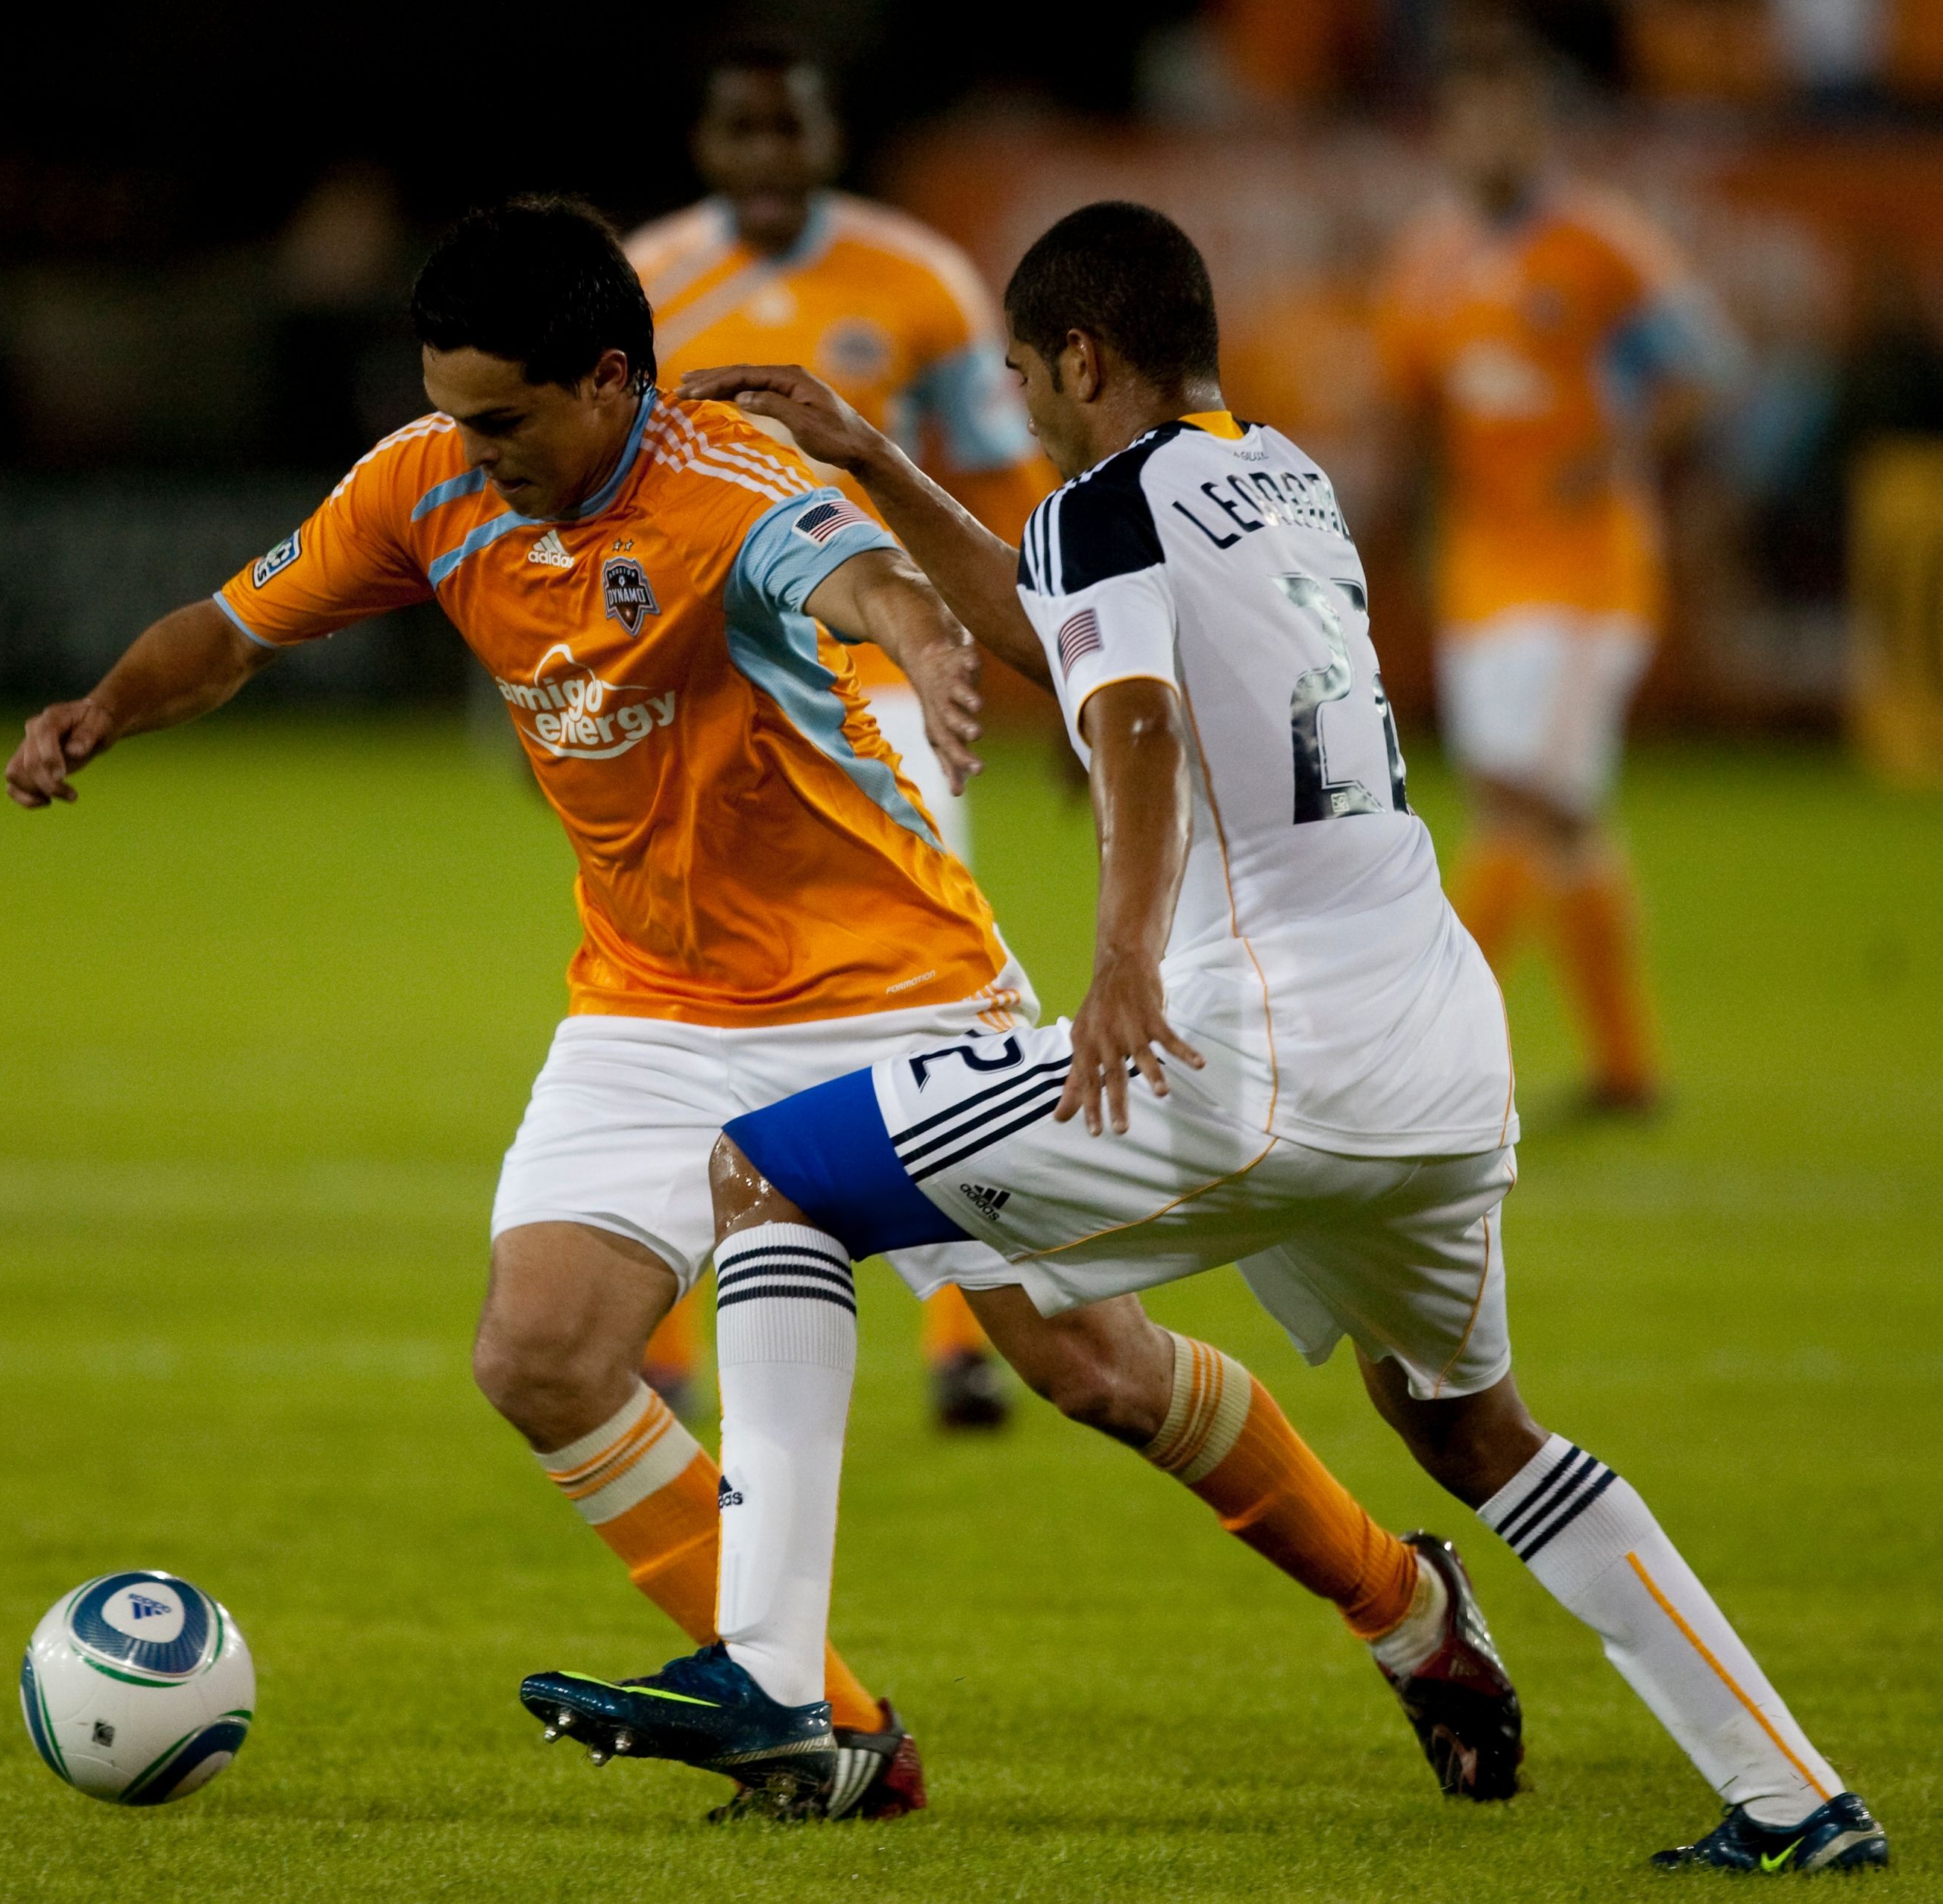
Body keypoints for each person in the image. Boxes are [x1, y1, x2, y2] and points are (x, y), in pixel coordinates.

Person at [2, 195, 1479, 1826]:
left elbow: (861, 576)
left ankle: (1406, 1606)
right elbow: (227, 633)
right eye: (451, 411)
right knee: (544, 1352)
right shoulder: (422, 484)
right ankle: (833, 1725)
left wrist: (927, 643)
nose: (472, 447)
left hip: (891, 989)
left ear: (613, 381)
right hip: (646, 1004)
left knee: (1094, 1371)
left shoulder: (725, 482)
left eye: (503, 418)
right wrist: (102, 711)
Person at [520, 203, 1889, 1876]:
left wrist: (1115, 964)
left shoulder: (1106, 505)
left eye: (1023, 377)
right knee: (1474, 1429)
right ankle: (1795, 1791)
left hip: (1256, 1049)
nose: (1018, 406)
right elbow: (1054, 636)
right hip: (1436, 1044)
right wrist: (875, 454)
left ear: (1082, 358)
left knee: (769, 1174)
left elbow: (1137, 718)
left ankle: (774, 1678)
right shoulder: (1286, 478)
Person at [626, 41, 1058, 1428]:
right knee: (692, 991)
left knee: (927, 987)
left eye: (787, 130)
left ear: (824, 138)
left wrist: (1047, 663)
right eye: (740, 130)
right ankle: (662, 1345)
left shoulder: (921, 279)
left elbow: (997, 476)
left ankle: (962, 1332)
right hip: (702, 689)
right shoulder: (639, 285)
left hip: (890, 672)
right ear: (706, 142)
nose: (765, 157)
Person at [1373, 32, 1742, 1113]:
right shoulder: (1426, 262)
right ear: (1446, 130)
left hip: (1588, 571)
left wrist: (1619, 452)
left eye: (1508, 113)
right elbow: (1412, 420)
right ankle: (1629, 1071)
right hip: (1483, 572)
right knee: (1554, 816)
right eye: (1469, 114)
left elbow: (1709, 368)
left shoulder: (1602, 245)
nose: (1488, 134)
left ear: (1538, 127)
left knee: (1525, 803)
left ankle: (1411, 1049)